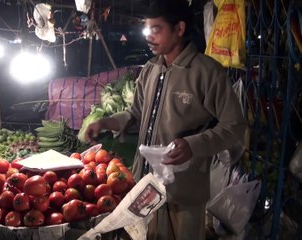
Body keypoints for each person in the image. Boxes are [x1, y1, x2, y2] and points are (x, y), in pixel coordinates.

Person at [84, 0, 247, 239]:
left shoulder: (207, 72)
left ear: (179, 29)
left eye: (156, 29)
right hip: (145, 186)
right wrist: (106, 122)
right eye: (147, 29)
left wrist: (193, 145)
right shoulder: (150, 70)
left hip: (185, 189)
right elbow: (135, 114)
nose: (149, 36)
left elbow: (234, 126)